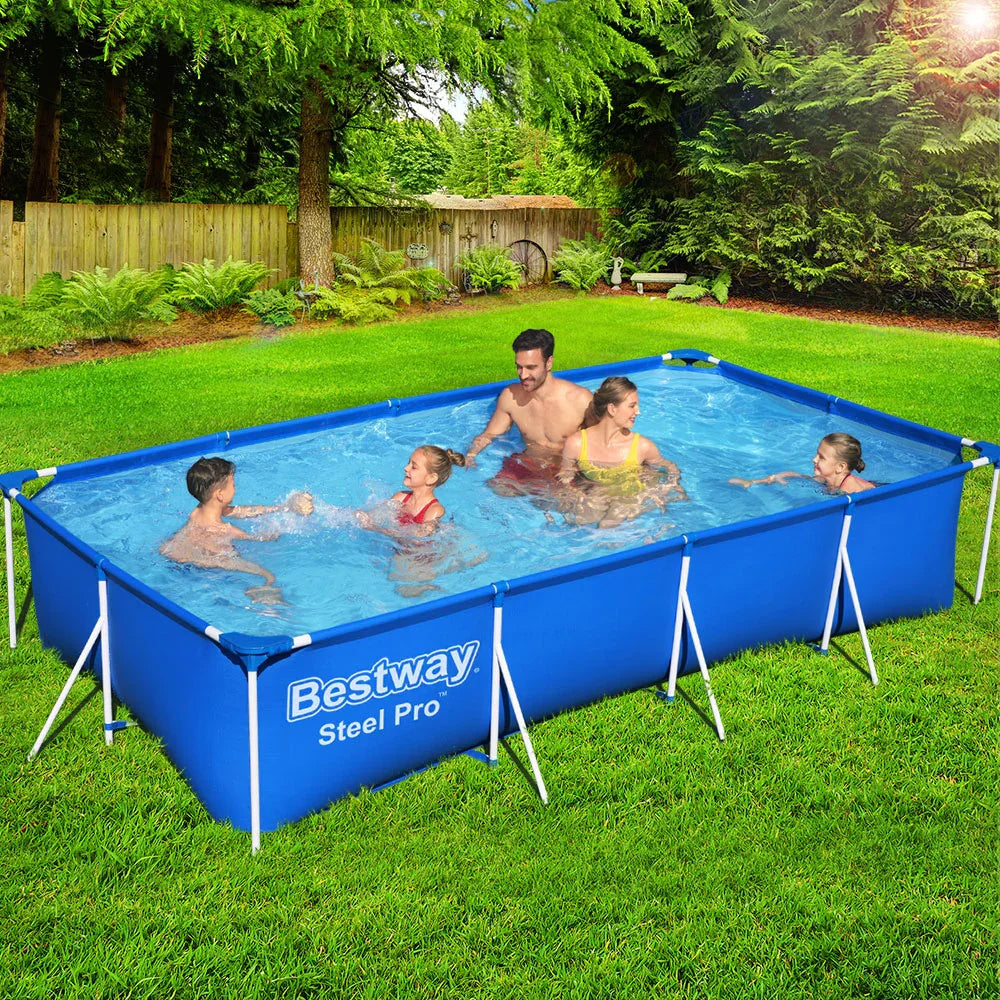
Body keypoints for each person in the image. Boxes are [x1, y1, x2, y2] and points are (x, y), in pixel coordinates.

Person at [159, 456, 314, 603]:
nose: (235, 487)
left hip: (172, 554)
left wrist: (284, 507)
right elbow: (260, 539)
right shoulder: (226, 530)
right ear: (220, 495)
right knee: (268, 575)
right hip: (209, 563)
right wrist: (278, 531)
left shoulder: (198, 511)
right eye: (233, 484)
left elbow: (240, 511)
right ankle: (264, 594)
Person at [465, 328, 594, 495]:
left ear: (549, 363)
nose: (523, 375)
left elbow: (604, 441)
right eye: (519, 367)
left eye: (531, 367)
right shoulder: (511, 397)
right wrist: (471, 455)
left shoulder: (580, 400)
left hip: (568, 471)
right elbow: (490, 434)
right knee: (496, 490)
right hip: (530, 464)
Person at [556, 376, 686, 529]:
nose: (638, 411)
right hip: (598, 493)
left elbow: (670, 468)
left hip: (631, 497)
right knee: (582, 520)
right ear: (612, 409)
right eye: (632, 406)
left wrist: (670, 487)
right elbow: (566, 477)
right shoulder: (576, 443)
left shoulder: (642, 447)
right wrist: (573, 494)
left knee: (609, 522)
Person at [356, 446, 483, 595]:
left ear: (431, 478)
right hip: (403, 548)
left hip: (425, 558)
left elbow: (416, 537)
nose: (405, 468)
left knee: (404, 590)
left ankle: (436, 585)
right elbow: (375, 516)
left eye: (413, 467)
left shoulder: (434, 510)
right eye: (408, 463)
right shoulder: (400, 497)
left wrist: (377, 529)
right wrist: (361, 516)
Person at [728, 432, 875, 494]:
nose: (814, 459)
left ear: (840, 467)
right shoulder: (825, 479)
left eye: (821, 457)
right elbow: (792, 475)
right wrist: (752, 482)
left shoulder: (853, 491)